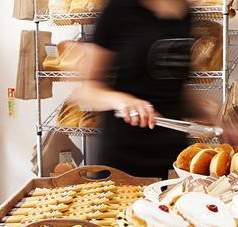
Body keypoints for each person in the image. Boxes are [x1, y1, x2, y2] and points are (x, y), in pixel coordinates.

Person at [72, 0, 197, 178]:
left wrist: (218, 118)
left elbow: (176, 88)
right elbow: (87, 90)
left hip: (174, 156)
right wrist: (123, 101)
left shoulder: (186, 12)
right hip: (125, 156)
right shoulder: (119, 10)